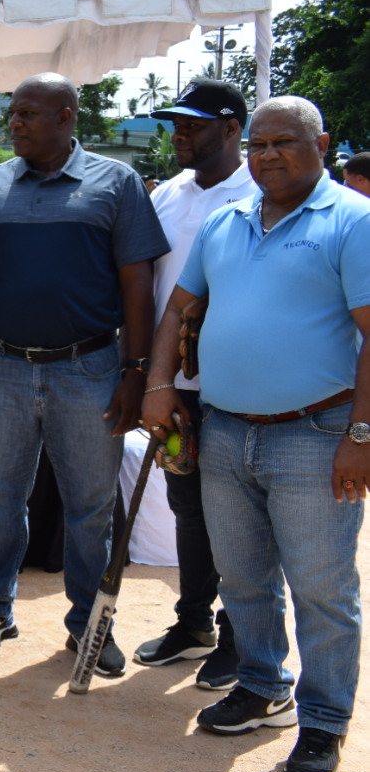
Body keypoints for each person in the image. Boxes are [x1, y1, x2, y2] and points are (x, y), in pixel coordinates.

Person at [143, 96, 370, 772]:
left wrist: (362, 433)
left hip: (317, 432)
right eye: (259, 145)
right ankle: (262, 682)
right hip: (225, 427)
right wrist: (157, 384)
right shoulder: (225, 221)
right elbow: (180, 308)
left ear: (322, 143)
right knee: (243, 576)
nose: (268, 155)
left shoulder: (353, 222)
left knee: (322, 587)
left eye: (285, 142)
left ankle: (324, 722)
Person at [0, 73, 167, 678]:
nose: (14, 123)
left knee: (91, 508)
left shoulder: (116, 183)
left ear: (67, 116)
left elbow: (137, 286)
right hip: (3, 367)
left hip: (91, 368)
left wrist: (136, 373)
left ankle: (90, 625)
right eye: (12, 113)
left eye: (27, 114)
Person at [130, 79, 257, 685]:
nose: (179, 134)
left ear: (232, 129)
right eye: (175, 124)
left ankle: (240, 636)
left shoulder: (262, 191)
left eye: (194, 124)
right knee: (188, 508)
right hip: (173, 387)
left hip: (238, 390)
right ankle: (193, 622)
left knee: (243, 518)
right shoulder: (169, 195)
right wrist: (154, 377)